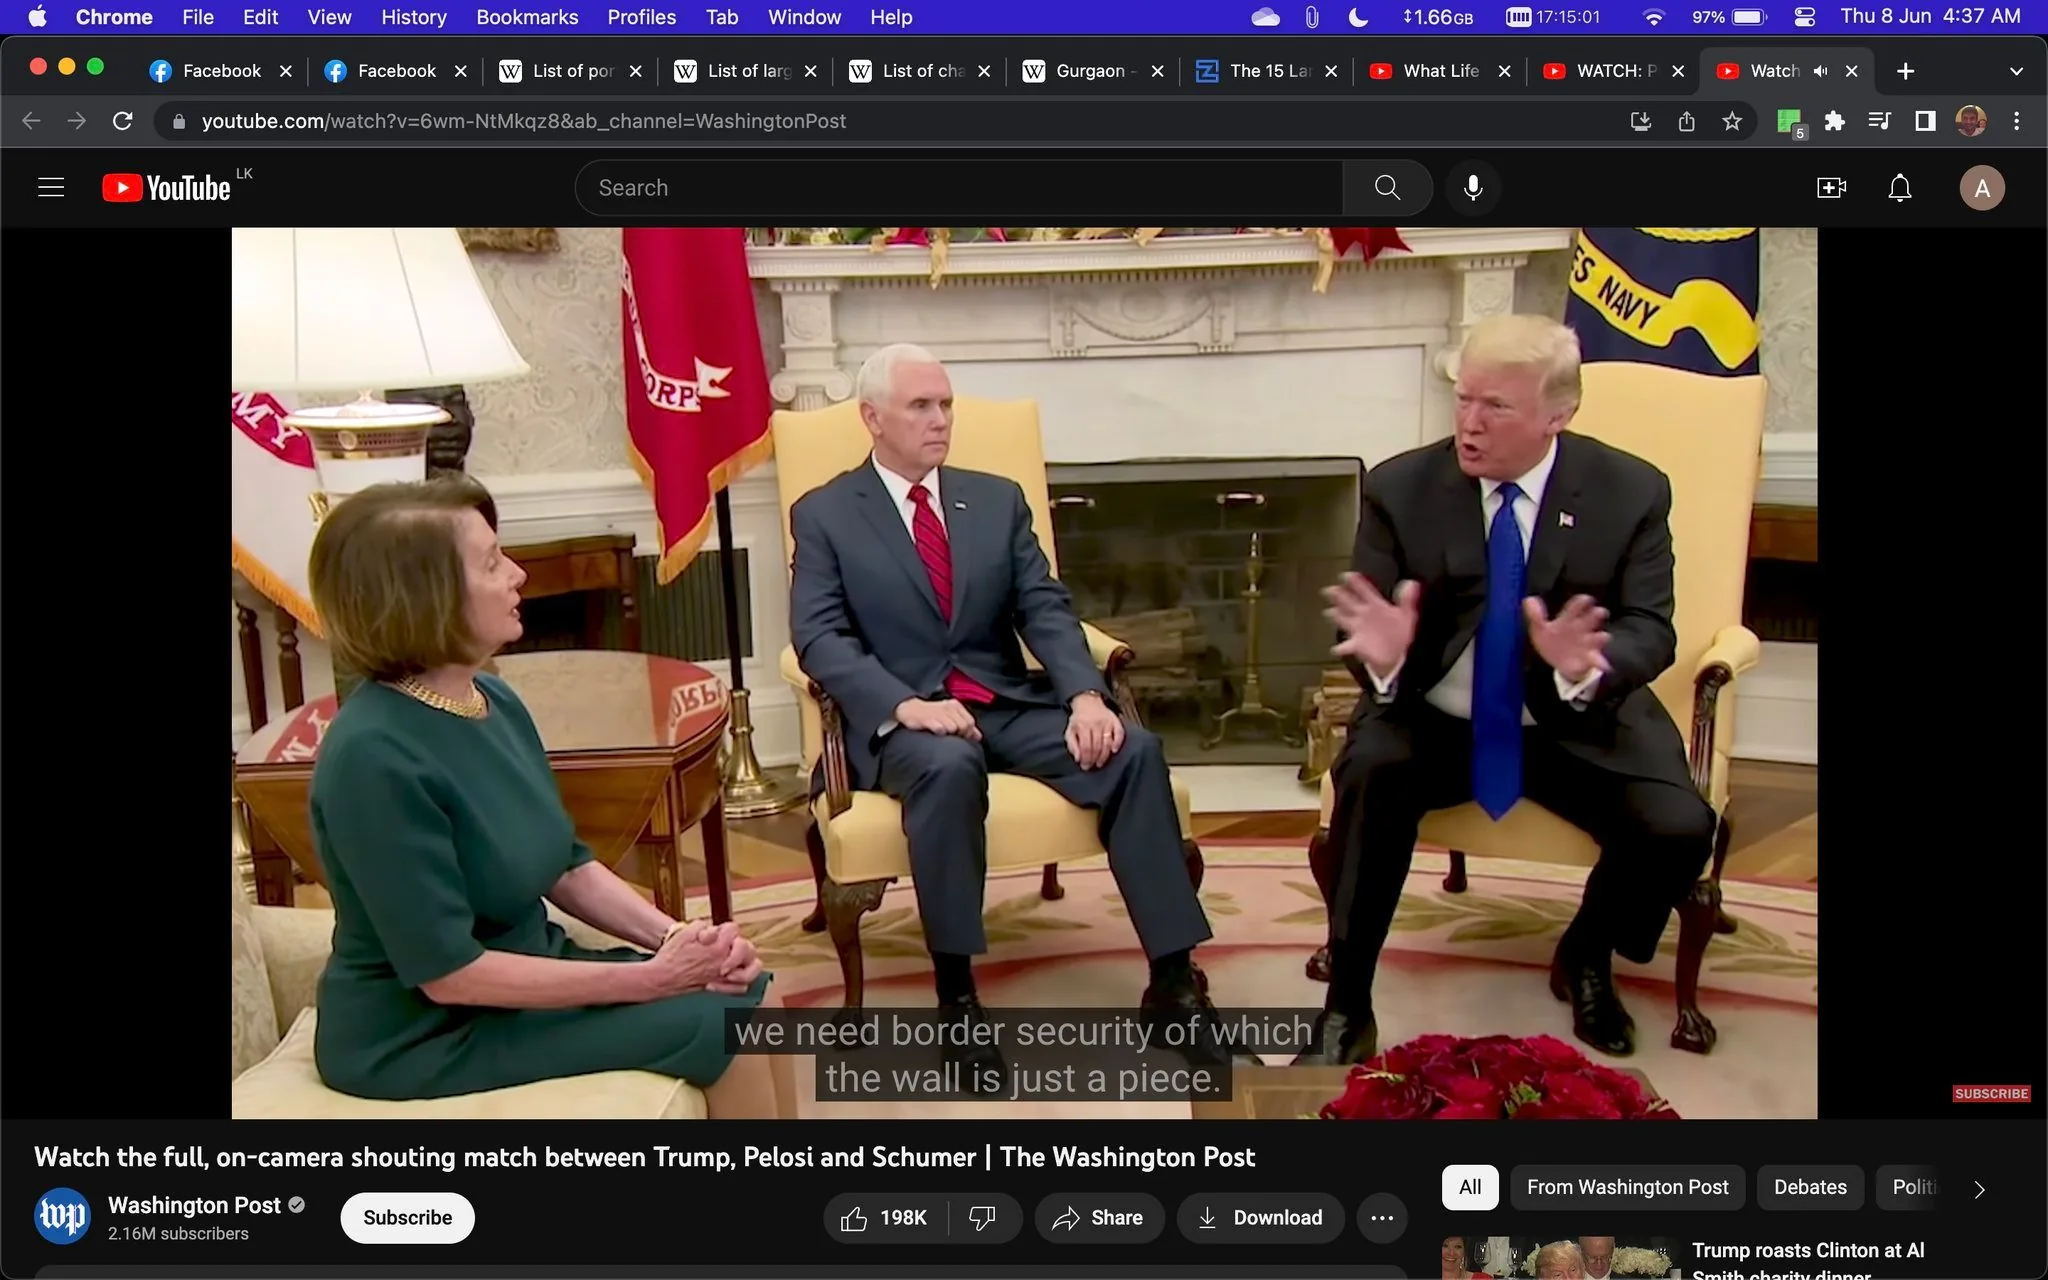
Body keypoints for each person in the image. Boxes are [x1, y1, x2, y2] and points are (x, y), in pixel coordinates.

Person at [787, 343, 1225, 1090]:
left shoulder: (994, 499)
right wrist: (905, 706)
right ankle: (957, 999)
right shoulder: (826, 512)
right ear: (872, 419)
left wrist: (1086, 694)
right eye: (921, 406)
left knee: (1134, 752)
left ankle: (1173, 981)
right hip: (908, 722)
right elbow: (819, 638)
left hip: (1002, 701)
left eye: (946, 404)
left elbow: (1044, 607)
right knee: (950, 768)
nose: (940, 420)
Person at [305, 475, 792, 1117]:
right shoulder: (372, 757)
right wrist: (647, 981)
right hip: (424, 1033)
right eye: (490, 563)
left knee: (758, 992)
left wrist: (681, 940)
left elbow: (564, 862)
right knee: (729, 1026)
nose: (518, 575)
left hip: (527, 970)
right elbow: (449, 972)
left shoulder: (493, 699)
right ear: (425, 598)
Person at [1302, 314, 1715, 1065]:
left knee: (1681, 826)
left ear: (1558, 414)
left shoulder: (1630, 491)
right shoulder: (1402, 486)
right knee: (1368, 778)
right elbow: (1370, 624)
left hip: (1573, 719)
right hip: (1435, 715)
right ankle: (1346, 1007)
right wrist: (1385, 661)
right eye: (1463, 399)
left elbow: (1651, 629)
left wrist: (1583, 662)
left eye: (1497, 407)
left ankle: (1586, 953)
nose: (1470, 424)